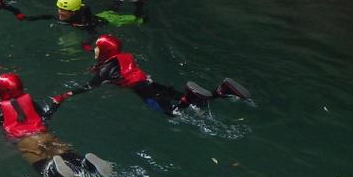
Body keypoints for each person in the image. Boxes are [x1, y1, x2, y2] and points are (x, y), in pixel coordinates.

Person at [0, 73, 112, 177]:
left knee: (44, 171)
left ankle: (53, 169)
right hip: (45, 135)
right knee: (71, 158)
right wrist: (56, 105)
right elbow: (45, 117)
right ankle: (87, 162)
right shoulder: (31, 102)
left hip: (25, 141)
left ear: (1, 92)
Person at [62, 34, 251, 115]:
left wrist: (66, 95)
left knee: (173, 113)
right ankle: (222, 91)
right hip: (151, 83)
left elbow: (90, 86)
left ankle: (189, 97)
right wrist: (85, 45)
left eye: (96, 48)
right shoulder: (121, 57)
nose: (94, 50)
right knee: (195, 101)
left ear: (103, 51)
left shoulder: (105, 70)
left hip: (144, 92)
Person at [23, 0, 154, 32]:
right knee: (110, 9)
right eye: (59, 9)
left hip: (109, 20)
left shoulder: (84, 23)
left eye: (64, 10)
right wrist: (30, 18)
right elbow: (48, 16)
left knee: (139, 19)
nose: (59, 12)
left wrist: (87, 44)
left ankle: (139, 4)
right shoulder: (69, 15)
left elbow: (93, 32)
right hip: (100, 15)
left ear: (73, 12)